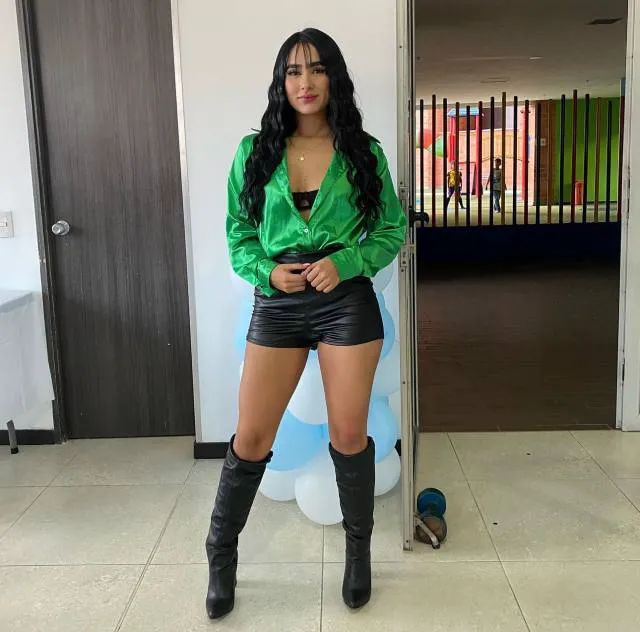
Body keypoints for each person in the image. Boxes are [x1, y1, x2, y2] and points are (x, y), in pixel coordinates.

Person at [205, 28, 407, 620]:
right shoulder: (254, 152)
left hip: (345, 300)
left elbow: (390, 229)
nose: (306, 82)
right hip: (279, 302)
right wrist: (268, 272)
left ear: (333, 77)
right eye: (293, 71)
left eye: (317, 69)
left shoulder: (363, 151)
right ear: (281, 82)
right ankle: (220, 554)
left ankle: (357, 553)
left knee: (348, 435)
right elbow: (239, 236)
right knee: (251, 438)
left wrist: (347, 261)